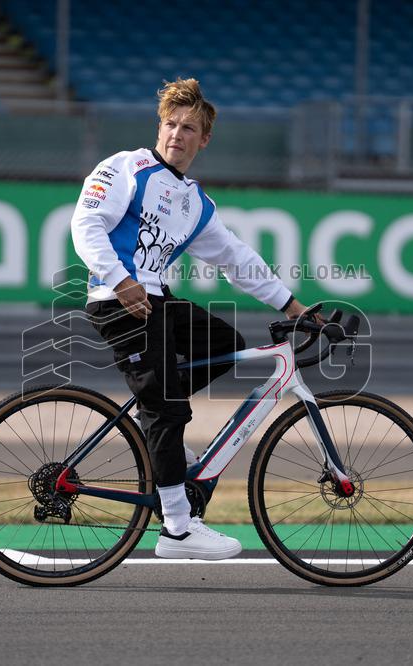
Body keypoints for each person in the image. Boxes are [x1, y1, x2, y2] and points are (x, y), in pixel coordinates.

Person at [70, 77, 316, 560]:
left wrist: (292, 307)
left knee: (224, 344)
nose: (176, 134)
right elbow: (86, 223)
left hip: (156, 299)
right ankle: (178, 530)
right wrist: (119, 280)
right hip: (118, 300)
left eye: (188, 128)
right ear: (159, 127)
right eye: (170, 124)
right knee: (168, 409)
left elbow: (236, 258)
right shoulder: (127, 167)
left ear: (204, 139)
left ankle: (153, 418)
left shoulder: (195, 202)